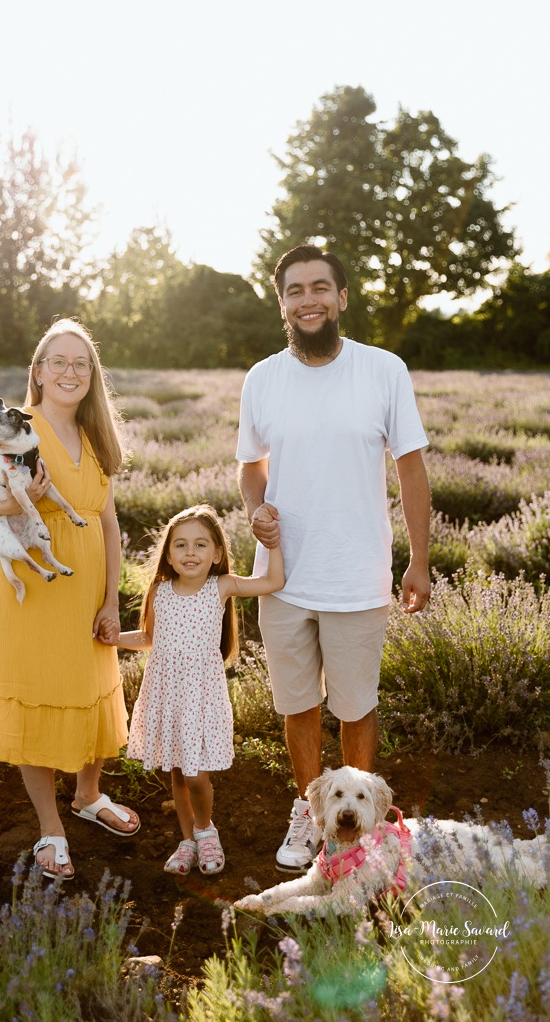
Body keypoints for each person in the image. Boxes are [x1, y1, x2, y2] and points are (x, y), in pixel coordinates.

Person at [236, 244, 430, 874]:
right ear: (283, 302)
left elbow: (411, 469)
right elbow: (251, 470)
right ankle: (308, 809)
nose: (308, 299)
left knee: (355, 709)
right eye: (295, 290)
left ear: (342, 298)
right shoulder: (262, 377)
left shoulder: (383, 370)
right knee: (297, 707)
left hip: (358, 574)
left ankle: (361, 829)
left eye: (321, 287)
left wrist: (418, 561)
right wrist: (255, 510)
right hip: (284, 576)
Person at [0, 318, 139, 880]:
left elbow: (107, 520)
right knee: (39, 694)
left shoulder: (97, 436)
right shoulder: (13, 432)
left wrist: (112, 599)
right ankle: (52, 828)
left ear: (92, 375)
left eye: (82, 363)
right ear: (39, 371)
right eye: (59, 361)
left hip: (87, 590)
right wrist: (9, 506)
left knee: (93, 691)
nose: (70, 372)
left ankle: (90, 798)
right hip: (33, 598)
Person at [118, 503, 284, 876]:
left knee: (196, 775)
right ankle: (187, 840)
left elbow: (273, 583)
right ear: (169, 555)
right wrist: (113, 638)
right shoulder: (159, 591)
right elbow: (148, 637)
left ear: (217, 554)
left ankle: (206, 830)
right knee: (177, 773)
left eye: (200, 545)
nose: (190, 553)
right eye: (180, 545)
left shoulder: (220, 587)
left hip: (200, 696)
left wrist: (273, 543)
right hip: (166, 693)